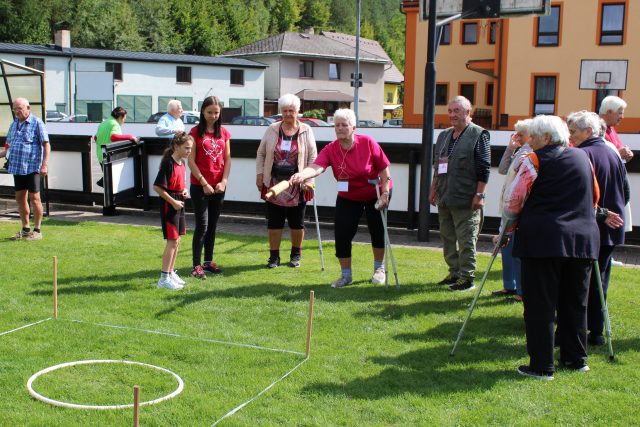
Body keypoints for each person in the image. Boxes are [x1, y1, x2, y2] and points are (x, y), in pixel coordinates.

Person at [503, 115, 600, 379]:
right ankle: (576, 358)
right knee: (575, 303)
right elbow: (594, 196)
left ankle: (542, 366)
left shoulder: (533, 160)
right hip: (581, 240)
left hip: (543, 240)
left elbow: (514, 200)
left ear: (545, 138)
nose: (530, 142)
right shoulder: (582, 158)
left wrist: (507, 228)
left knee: (540, 305)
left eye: (533, 137)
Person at [290, 108, 392, 288]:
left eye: (344, 125)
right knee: (342, 234)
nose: (340, 128)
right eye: (337, 125)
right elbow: (317, 166)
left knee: (377, 231)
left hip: (374, 193)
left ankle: (379, 269)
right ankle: (346, 276)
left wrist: (385, 193)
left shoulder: (367, 142)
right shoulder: (331, 149)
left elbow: (384, 168)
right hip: (348, 196)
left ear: (353, 127)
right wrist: (302, 175)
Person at [567, 110, 628, 346]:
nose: (570, 136)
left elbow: (579, 195)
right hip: (610, 227)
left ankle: (579, 330)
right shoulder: (612, 152)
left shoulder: (581, 154)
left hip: (591, 226)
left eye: (574, 131)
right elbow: (626, 190)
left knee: (582, 283)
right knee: (600, 280)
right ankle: (597, 330)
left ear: (588, 131)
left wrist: (602, 214)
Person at [429, 96, 491, 291]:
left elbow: (484, 168)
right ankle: (454, 273)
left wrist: (479, 195)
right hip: (445, 196)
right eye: (450, 111)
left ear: (468, 113)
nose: (452, 115)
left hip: (467, 199)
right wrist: (433, 190)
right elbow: (437, 166)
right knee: (447, 238)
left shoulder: (478, 135)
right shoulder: (444, 135)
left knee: (466, 240)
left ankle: (467, 277)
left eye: (457, 111)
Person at [256, 93, 317, 268]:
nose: (288, 114)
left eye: (291, 110)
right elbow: (261, 153)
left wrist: (308, 178)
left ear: (298, 112)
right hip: (274, 183)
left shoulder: (306, 130)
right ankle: (274, 257)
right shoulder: (273, 128)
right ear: (281, 112)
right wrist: (260, 174)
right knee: (274, 223)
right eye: (285, 111)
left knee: (297, 223)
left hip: (298, 184)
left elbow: (314, 157)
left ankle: (295, 255)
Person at [188, 96, 231, 279]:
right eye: (209, 112)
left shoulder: (224, 133)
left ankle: (208, 262)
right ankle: (196, 265)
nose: (213, 115)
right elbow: (190, 160)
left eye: (216, 112)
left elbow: (227, 159)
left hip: (219, 186)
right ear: (203, 112)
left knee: (212, 225)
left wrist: (224, 181)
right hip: (200, 186)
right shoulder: (195, 132)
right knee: (202, 225)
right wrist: (204, 182)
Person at [492, 119, 533, 302]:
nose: (516, 136)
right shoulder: (520, 151)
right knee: (506, 248)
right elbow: (502, 169)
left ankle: (521, 290)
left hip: (518, 209)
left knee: (516, 251)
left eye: (520, 134)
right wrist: (510, 148)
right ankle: (510, 285)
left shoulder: (531, 153)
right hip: (508, 205)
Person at [3, 98, 50, 241]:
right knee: (20, 198)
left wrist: (45, 164)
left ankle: (37, 230)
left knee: (35, 198)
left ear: (28, 107)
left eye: (19, 108)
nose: (17, 111)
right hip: (17, 167)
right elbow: (8, 147)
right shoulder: (14, 124)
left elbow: (46, 145)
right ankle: (25, 229)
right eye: (15, 109)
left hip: (33, 167)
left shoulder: (36, 123)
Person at [153, 132, 193, 290]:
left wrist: (184, 191)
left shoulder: (182, 163)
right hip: (170, 205)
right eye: (187, 148)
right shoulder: (168, 163)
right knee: (172, 241)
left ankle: (170, 273)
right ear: (176, 146)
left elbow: (181, 184)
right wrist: (174, 202)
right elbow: (157, 187)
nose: (189, 151)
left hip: (179, 202)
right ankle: (163, 278)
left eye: (191, 148)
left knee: (178, 240)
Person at [599, 96, 633, 162]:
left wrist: (627, 152)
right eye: (620, 113)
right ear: (609, 112)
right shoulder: (597, 130)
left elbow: (618, 147)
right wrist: (619, 153)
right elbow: (598, 156)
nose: (622, 117)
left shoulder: (611, 128)